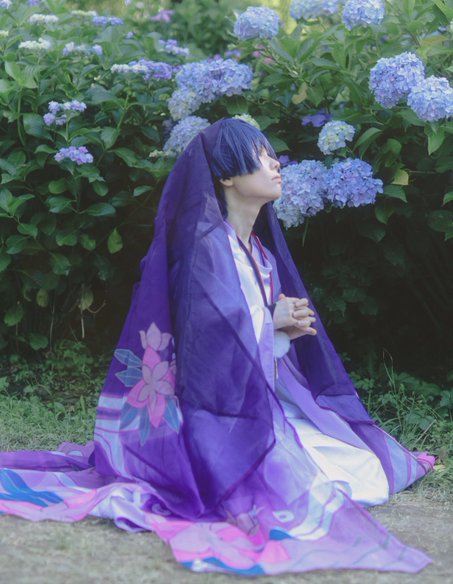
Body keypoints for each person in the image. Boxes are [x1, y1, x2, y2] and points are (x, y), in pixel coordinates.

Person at [0, 118, 434, 575]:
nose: (275, 164)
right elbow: (202, 349)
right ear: (226, 176)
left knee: (362, 467)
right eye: (260, 156)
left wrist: (281, 332)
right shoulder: (206, 248)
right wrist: (271, 319)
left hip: (248, 404)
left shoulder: (259, 253)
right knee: (321, 482)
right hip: (206, 413)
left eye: (272, 155)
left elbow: (247, 349)